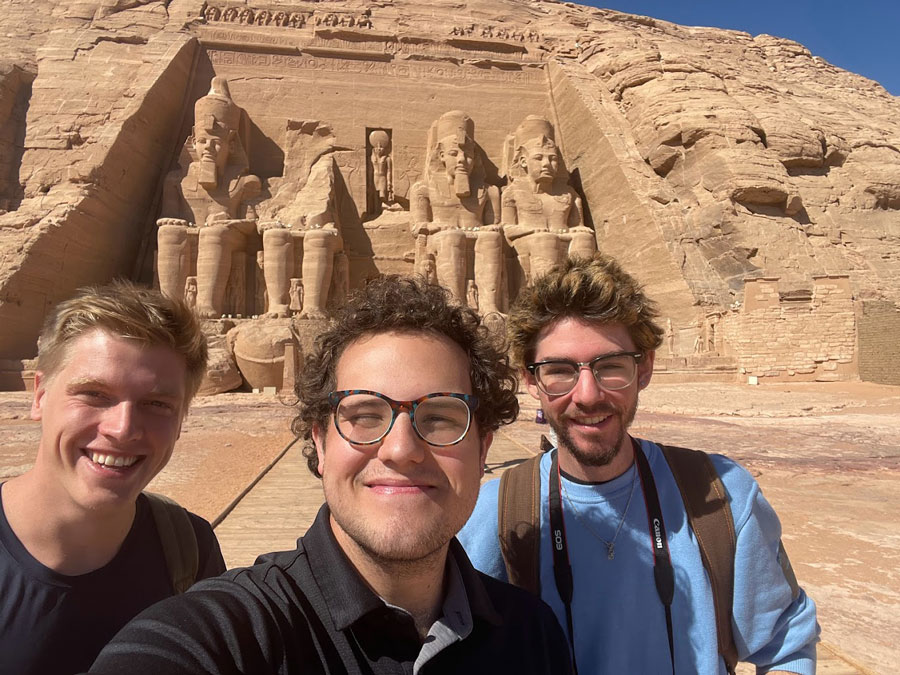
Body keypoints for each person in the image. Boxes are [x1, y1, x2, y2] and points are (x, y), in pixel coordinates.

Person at [87, 276, 573, 675]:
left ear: (483, 446)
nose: (401, 449)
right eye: (364, 415)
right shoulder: (228, 634)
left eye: (441, 417)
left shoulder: (533, 635)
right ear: (320, 443)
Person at [458, 254, 820, 674]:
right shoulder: (497, 512)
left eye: (610, 366)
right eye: (559, 371)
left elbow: (784, 646)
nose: (588, 394)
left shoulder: (721, 497)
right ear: (530, 380)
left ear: (644, 367)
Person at [0, 281, 225, 675]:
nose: (123, 429)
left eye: (156, 404)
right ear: (39, 396)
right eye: (94, 394)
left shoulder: (189, 550)